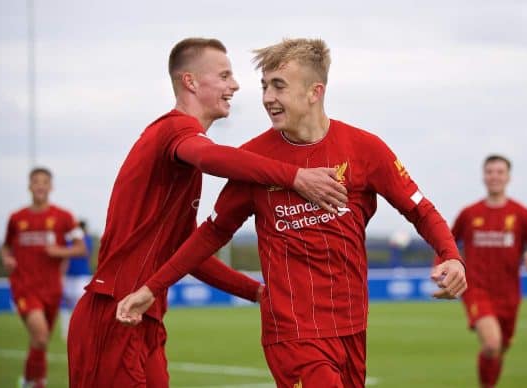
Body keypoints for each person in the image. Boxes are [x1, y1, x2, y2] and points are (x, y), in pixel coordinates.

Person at [117, 38, 467, 388]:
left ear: (315, 92)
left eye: (279, 86)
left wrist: (451, 256)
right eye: (265, 86)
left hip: (351, 325)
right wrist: (152, 288)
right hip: (291, 331)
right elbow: (212, 233)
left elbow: (419, 209)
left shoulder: (365, 149)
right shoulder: (254, 161)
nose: (268, 97)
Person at [66, 37, 347, 387]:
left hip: (145, 317)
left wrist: (258, 293)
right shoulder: (174, 130)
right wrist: (295, 176)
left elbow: (189, 254)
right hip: (115, 312)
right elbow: (213, 158)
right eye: (225, 75)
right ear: (191, 82)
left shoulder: (181, 154)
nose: (236, 85)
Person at [435, 154, 527, 388]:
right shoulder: (469, 213)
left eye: (499, 172)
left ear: (508, 177)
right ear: (483, 176)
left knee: (499, 349)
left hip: (509, 295)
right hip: (476, 289)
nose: (494, 176)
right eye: (490, 172)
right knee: (491, 344)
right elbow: (445, 242)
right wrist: (440, 267)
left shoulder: (522, 214)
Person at [1, 167, 86, 388]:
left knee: (41, 341)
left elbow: (80, 249)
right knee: (40, 336)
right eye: (36, 181)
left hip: (52, 289)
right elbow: (6, 247)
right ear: (29, 186)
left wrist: (59, 251)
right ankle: (39, 382)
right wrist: (7, 259)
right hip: (24, 286)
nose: (40, 185)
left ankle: (29, 380)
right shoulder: (16, 219)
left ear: (51, 187)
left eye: (44, 182)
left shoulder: (64, 217)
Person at [60, 220, 92, 341]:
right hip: (69, 276)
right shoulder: (69, 240)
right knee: (65, 305)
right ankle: (66, 332)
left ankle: (82, 330)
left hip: (81, 277)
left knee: (81, 305)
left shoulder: (86, 240)